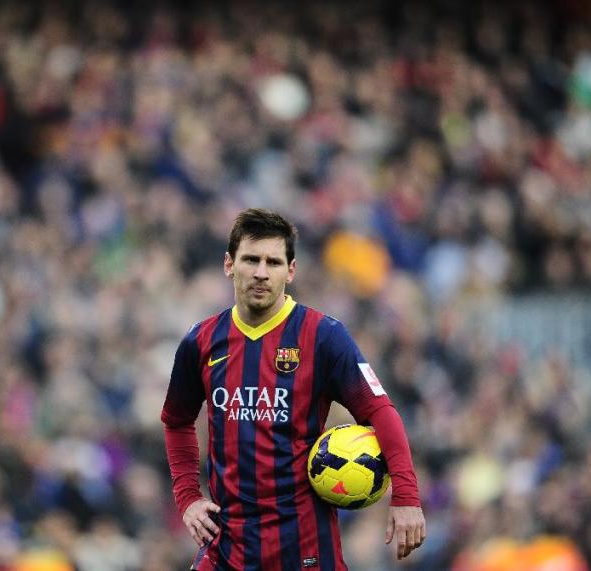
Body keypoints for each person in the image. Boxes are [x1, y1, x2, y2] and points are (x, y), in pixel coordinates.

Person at [161, 208, 425, 570]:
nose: (260, 272)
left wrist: (407, 497)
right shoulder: (201, 341)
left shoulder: (323, 336)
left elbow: (380, 411)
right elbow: (176, 420)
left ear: (291, 270)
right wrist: (188, 497)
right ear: (228, 264)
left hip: (304, 547)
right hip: (227, 546)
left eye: (273, 262)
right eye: (250, 259)